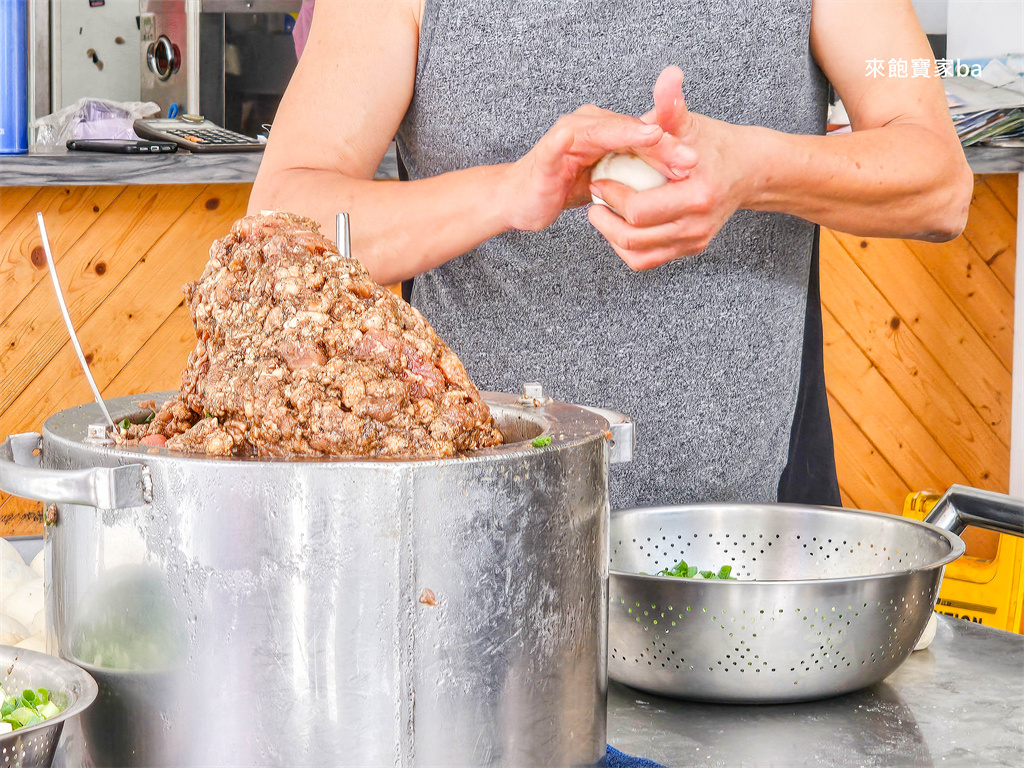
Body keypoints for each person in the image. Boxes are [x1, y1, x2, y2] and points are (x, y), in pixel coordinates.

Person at [250, 0, 972, 510]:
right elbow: (283, 212)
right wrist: (509, 192)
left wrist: (754, 169)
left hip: (750, 535)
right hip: (469, 534)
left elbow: (940, 184)